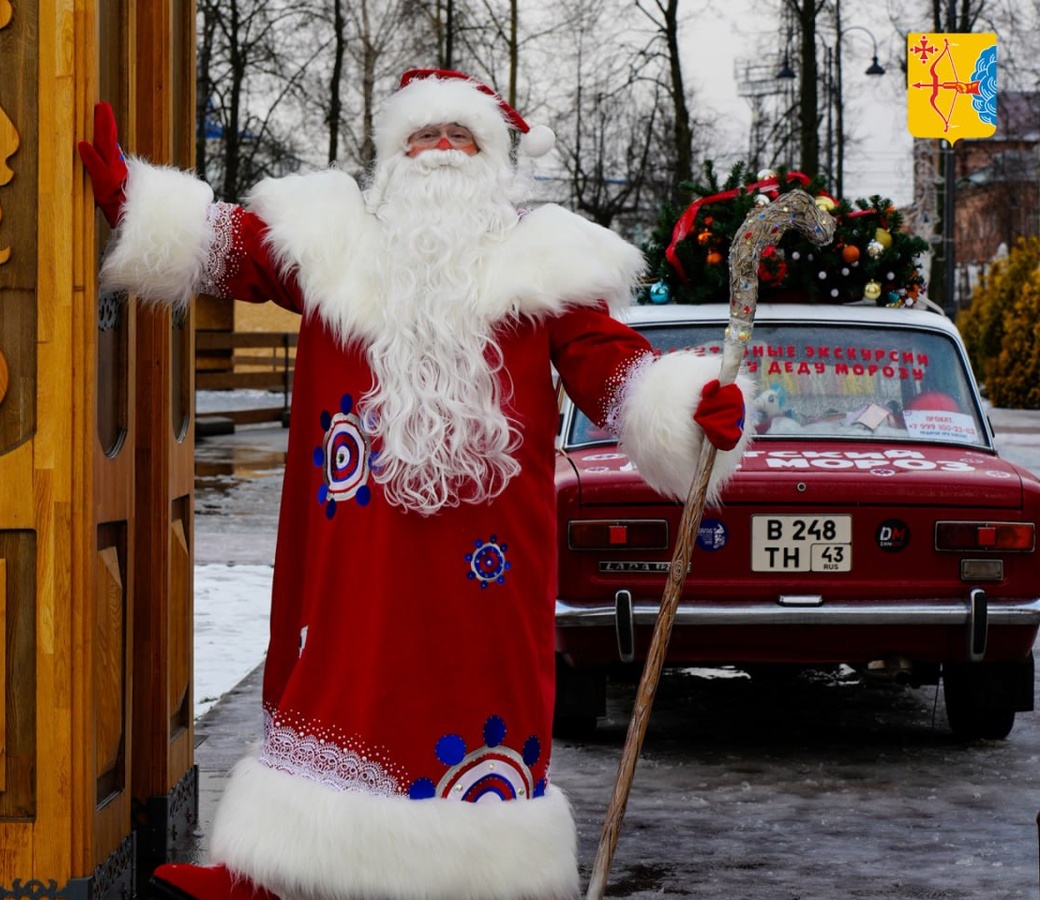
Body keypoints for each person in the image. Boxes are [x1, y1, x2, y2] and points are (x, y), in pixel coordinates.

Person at [79, 68, 751, 900]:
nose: (441, 152)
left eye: (461, 137)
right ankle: (273, 873)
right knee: (335, 665)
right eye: (423, 137)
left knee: (481, 690)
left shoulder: (542, 260)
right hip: (354, 538)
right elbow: (234, 250)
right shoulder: (332, 246)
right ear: (391, 157)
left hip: (491, 557)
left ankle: (479, 875)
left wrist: (683, 410)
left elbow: (604, 361)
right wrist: (134, 203)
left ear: (494, 158)